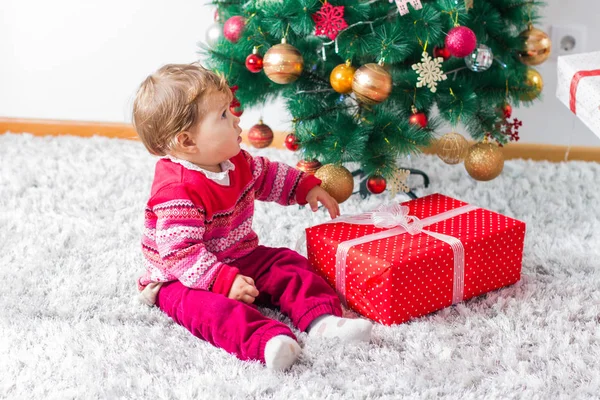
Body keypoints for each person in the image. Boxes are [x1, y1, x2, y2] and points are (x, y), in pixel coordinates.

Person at [132, 63, 373, 371]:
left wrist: (304, 188)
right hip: (182, 278)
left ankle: (323, 320)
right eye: (222, 115)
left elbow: (267, 176)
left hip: (237, 254)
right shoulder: (177, 191)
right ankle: (267, 341)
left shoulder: (235, 161)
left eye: (229, 111)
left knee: (287, 264)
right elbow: (180, 254)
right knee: (210, 310)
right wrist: (222, 281)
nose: (236, 118)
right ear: (187, 142)